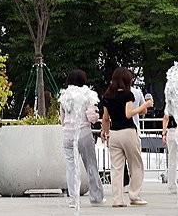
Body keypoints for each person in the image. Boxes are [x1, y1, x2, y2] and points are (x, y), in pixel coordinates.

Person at [100, 67, 153, 207]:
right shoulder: (127, 95)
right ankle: (134, 195)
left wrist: (106, 133)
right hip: (128, 131)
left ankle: (117, 199)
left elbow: (105, 118)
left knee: (116, 168)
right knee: (136, 164)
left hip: (114, 133)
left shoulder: (107, 96)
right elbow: (129, 114)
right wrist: (145, 105)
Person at [59, 68, 105, 208]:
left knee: (71, 167)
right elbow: (91, 117)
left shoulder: (64, 96)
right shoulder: (87, 95)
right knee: (90, 165)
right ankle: (96, 197)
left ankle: (73, 199)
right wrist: (97, 115)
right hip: (83, 133)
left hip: (67, 134)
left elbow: (62, 119)